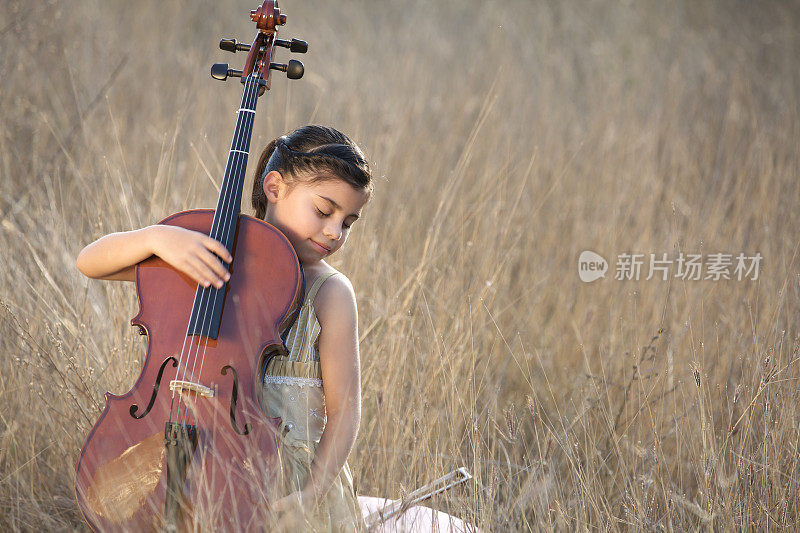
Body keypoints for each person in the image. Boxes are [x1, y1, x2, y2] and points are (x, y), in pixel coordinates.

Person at [76, 124, 372, 531]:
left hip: (282, 484)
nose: (334, 232)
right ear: (274, 187)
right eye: (324, 211)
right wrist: (159, 239)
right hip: (193, 448)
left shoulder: (331, 293)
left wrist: (312, 493)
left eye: (349, 221)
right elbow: (90, 262)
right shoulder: (213, 255)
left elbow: (345, 411)